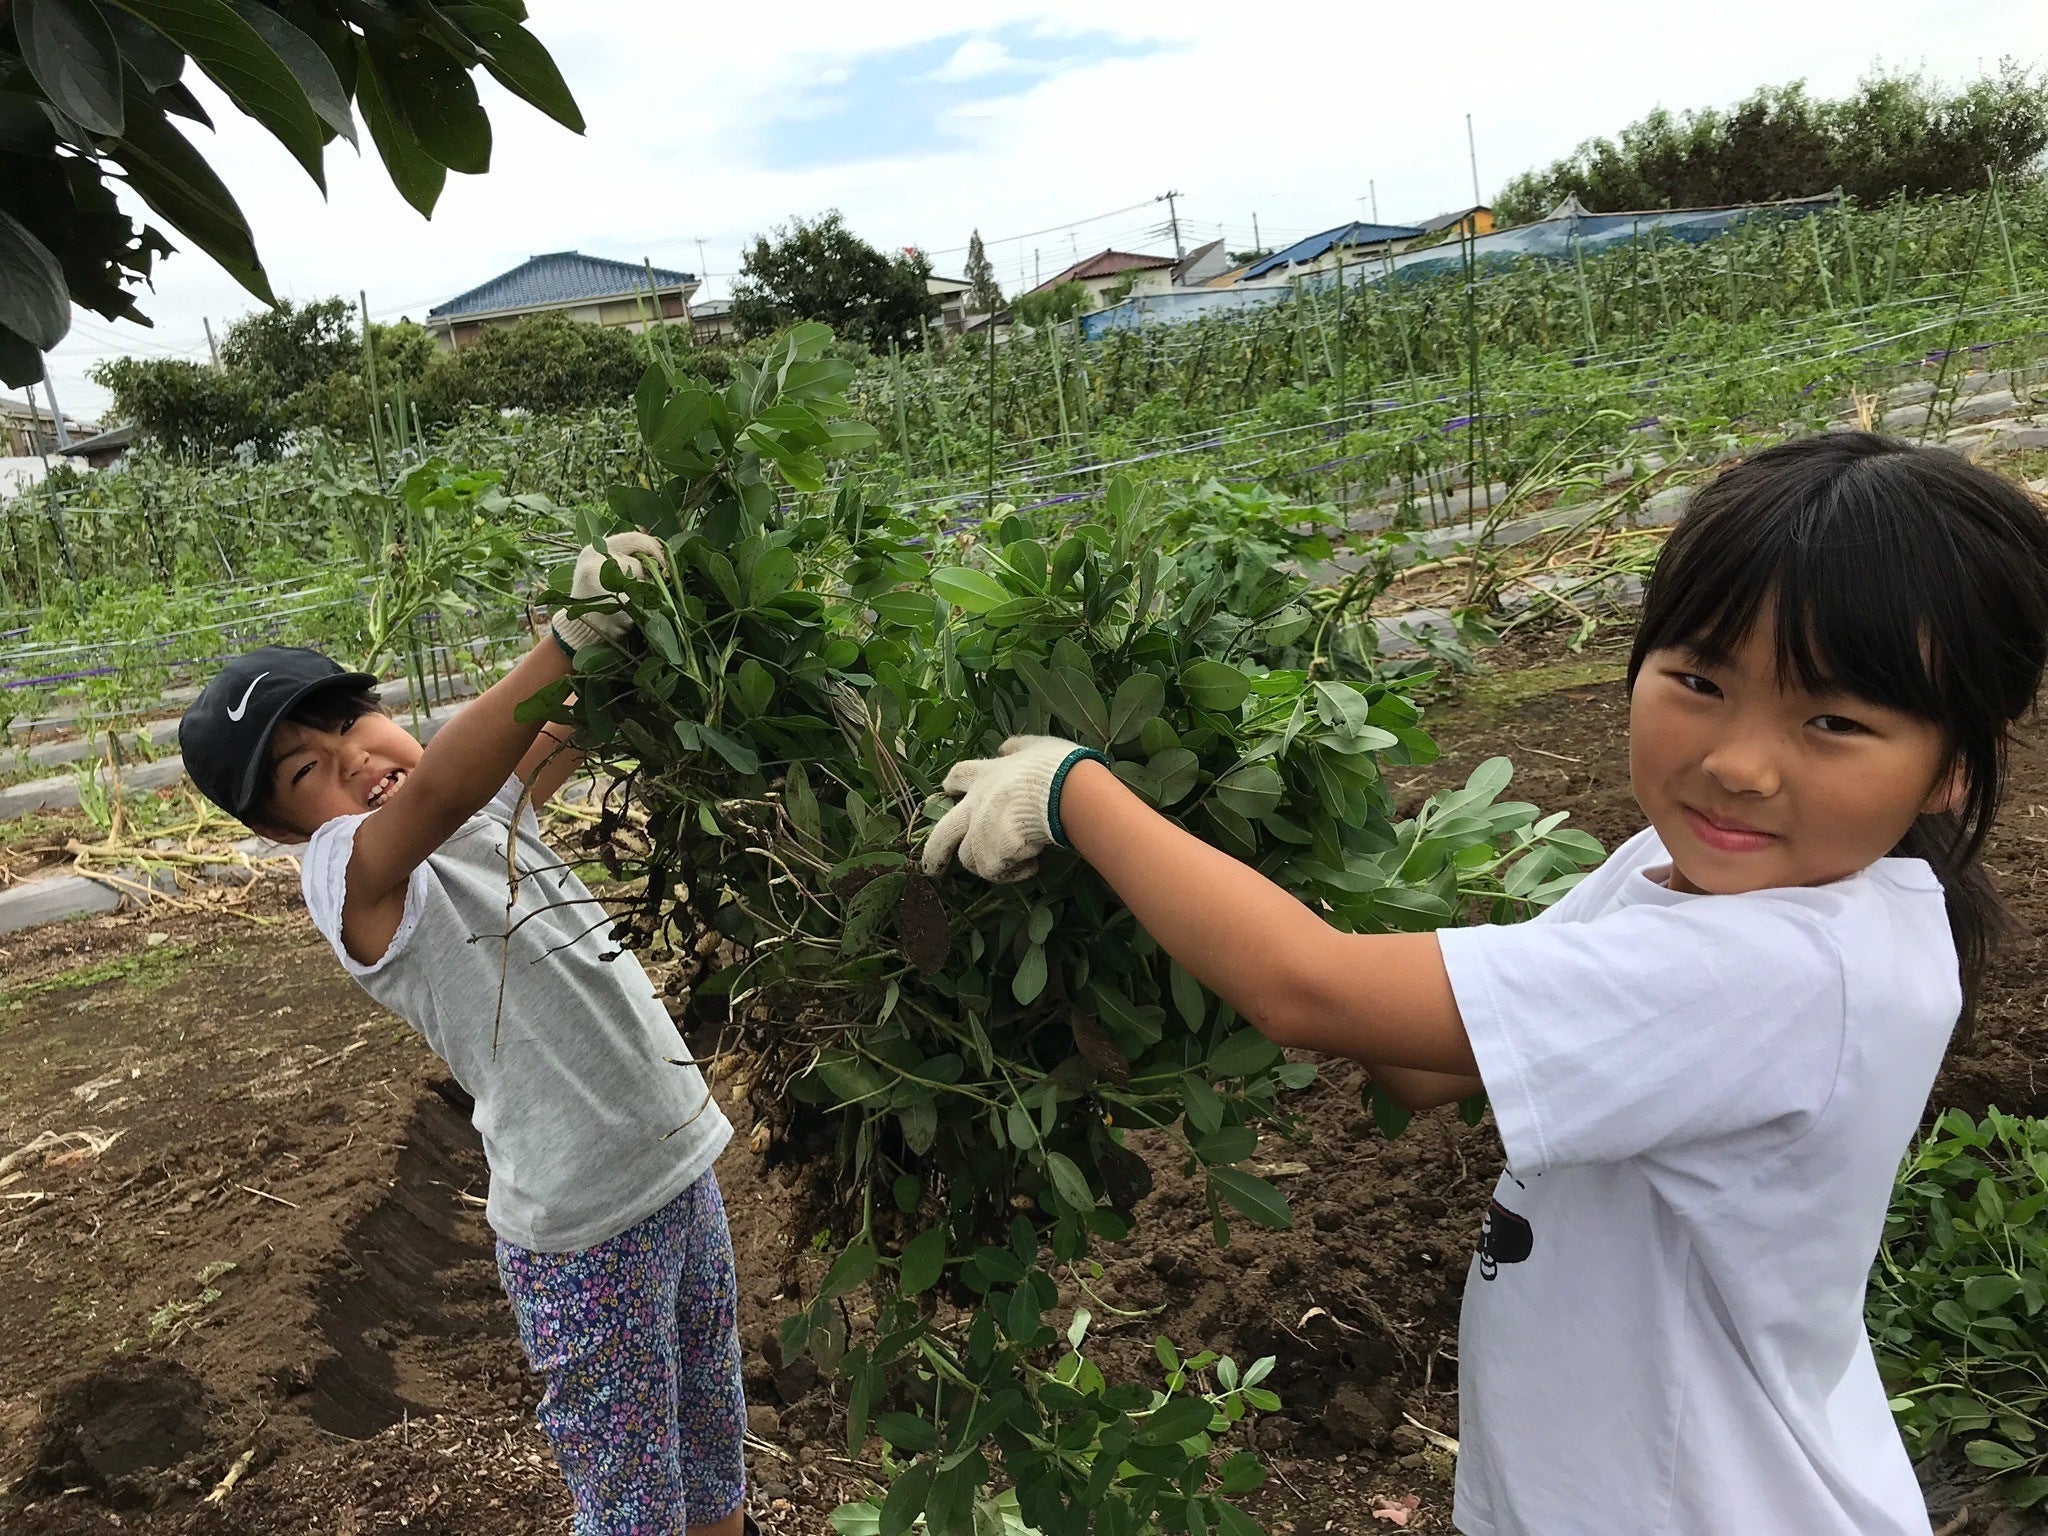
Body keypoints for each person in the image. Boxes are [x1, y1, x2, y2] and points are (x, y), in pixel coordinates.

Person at [920, 433, 2048, 1536]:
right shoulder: (1688, 882)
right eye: (1698, 679)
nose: (1736, 762)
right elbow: (1420, 1067)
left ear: (1951, 763)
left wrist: (1075, 794)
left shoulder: (1778, 970)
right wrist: (1260, 882)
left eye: (1833, 721)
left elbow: (1301, 992)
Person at [178, 535, 756, 1536]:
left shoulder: (482, 805)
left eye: (354, 723)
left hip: (676, 1172)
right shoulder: (350, 878)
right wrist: (573, 635)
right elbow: (445, 782)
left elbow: (565, 721)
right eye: (308, 768)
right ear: (281, 830)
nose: (355, 760)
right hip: (583, 1237)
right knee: (632, 1507)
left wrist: (665, 623)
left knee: (711, 1452)